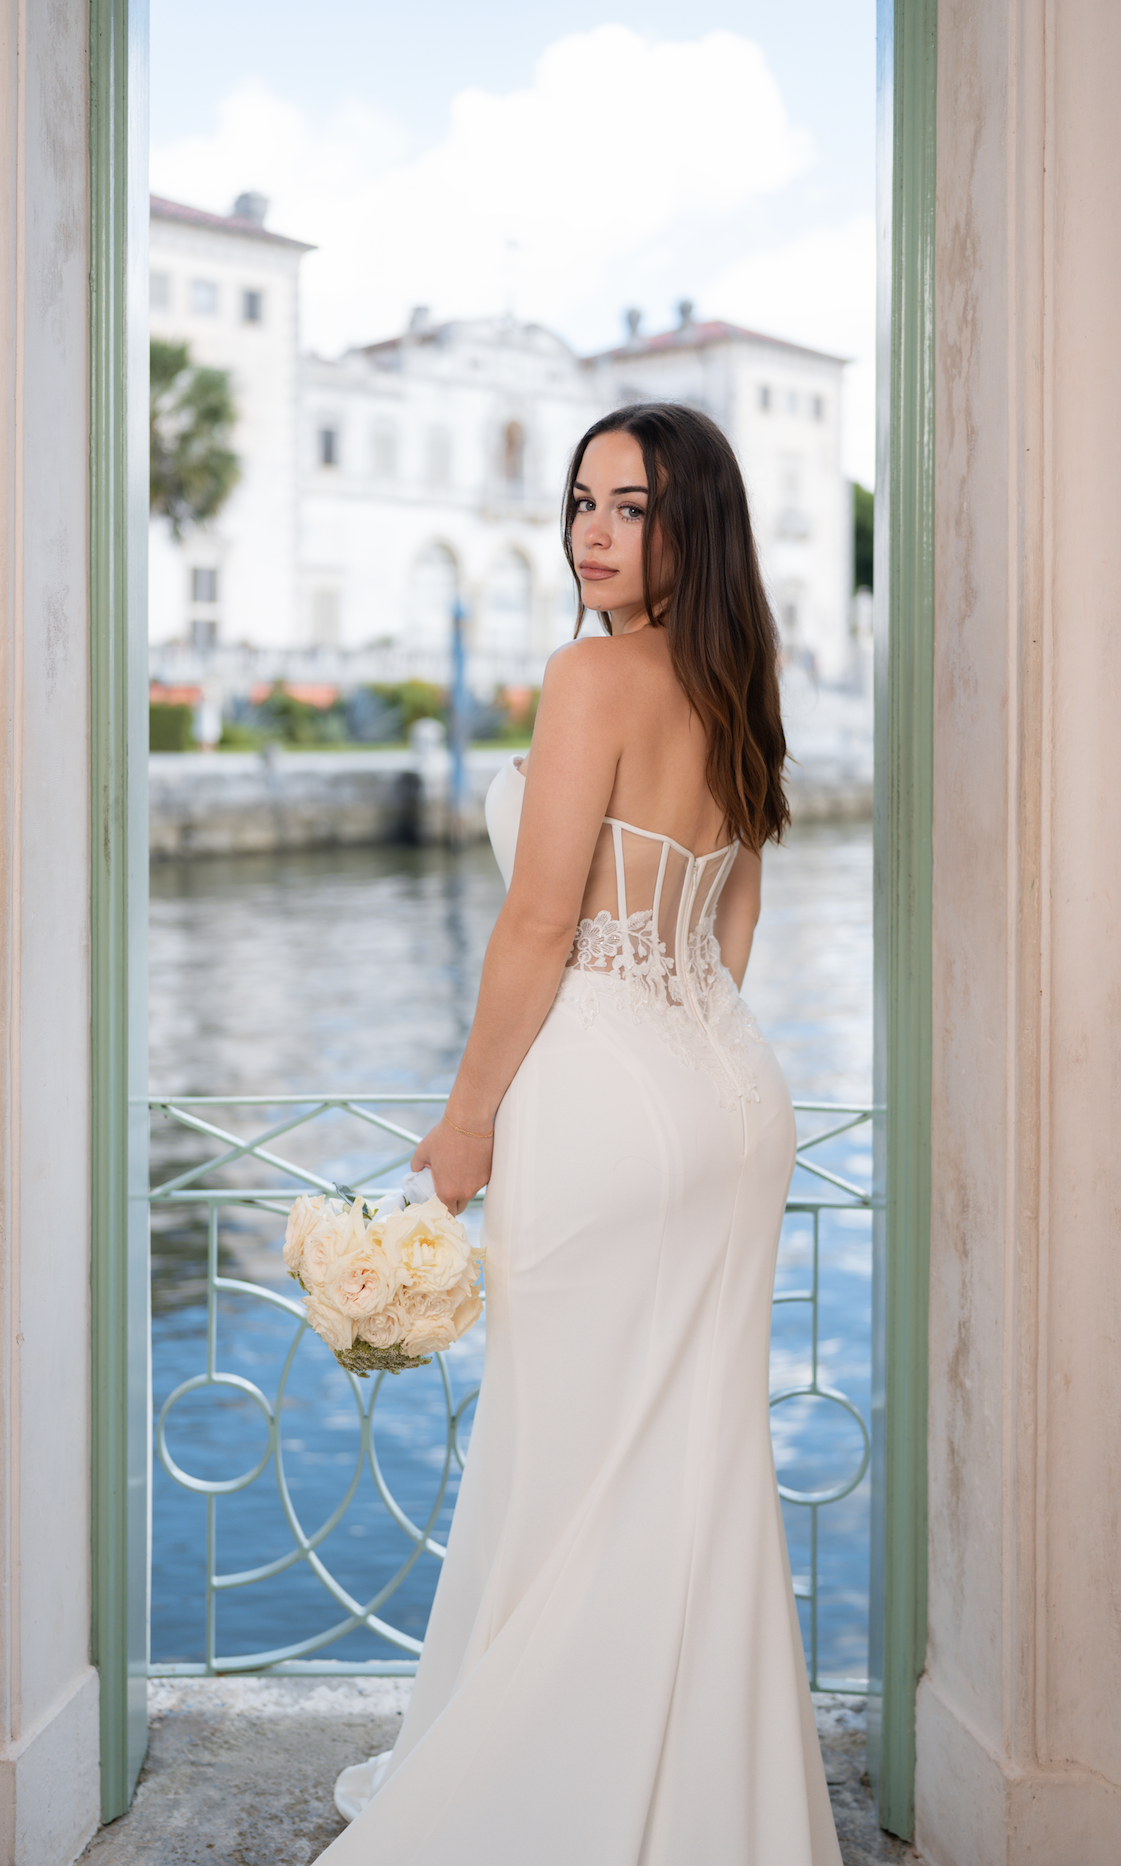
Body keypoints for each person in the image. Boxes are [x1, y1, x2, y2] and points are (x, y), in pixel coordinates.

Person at [320, 403, 842, 1865]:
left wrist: (467, 1119)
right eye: (582, 502)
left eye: (634, 506)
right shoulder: (743, 679)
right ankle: (708, 1811)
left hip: (605, 1090)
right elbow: (732, 920)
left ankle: (552, 1796)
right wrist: (667, 1049)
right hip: (732, 1094)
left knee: (570, 1457)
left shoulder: (590, 674)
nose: (595, 534)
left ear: (696, 527)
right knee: (695, 1455)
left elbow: (541, 921)